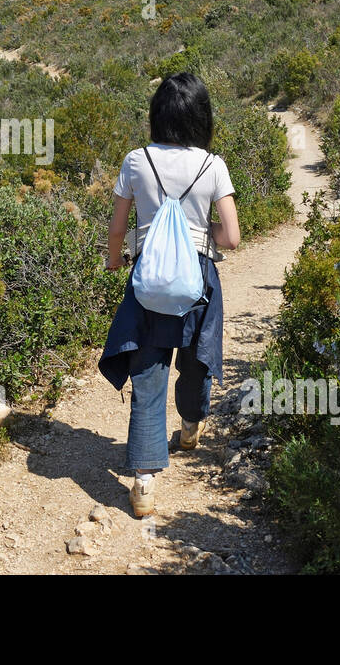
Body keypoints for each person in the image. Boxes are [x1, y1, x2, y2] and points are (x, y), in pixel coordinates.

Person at [99, 72, 240, 518]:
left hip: (150, 278)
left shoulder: (136, 160)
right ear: (201, 116)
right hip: (197, 277)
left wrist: (115, 261)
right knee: (196, 360)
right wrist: (203, 234)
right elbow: (232, 237)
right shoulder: (213, 165)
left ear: (158, 115)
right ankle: (190, 426)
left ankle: (143, 482)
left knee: (148, 370)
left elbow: (119, 228)